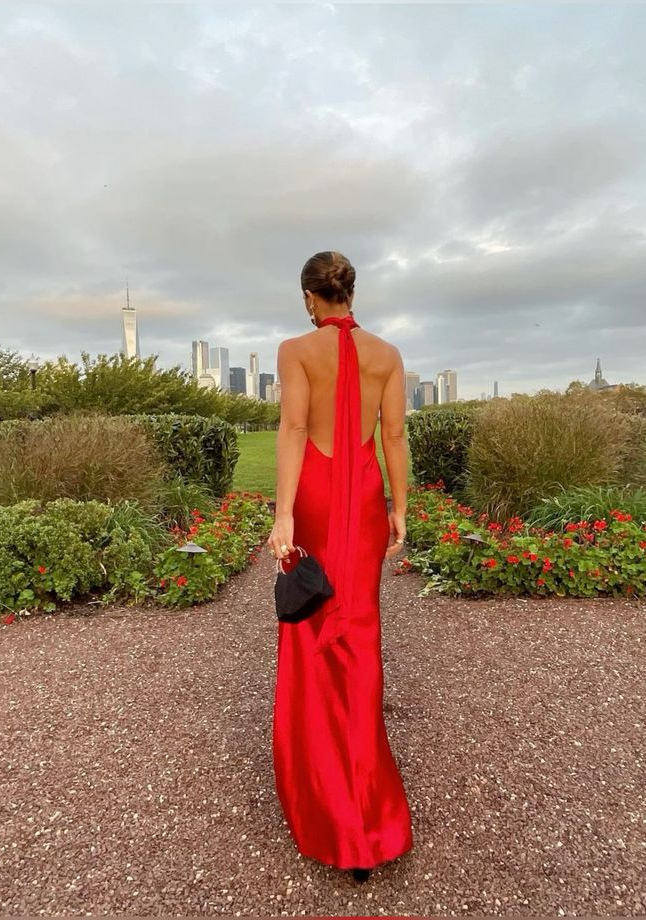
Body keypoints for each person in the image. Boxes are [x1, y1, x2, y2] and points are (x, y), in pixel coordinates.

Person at [269, 250, 413, 884]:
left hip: (320, 496)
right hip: (362, 494)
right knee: (360, 629)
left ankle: (327, 794)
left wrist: (282, 516)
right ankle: (367, 798)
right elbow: (395, 438)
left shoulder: (296, 349)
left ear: (310, 298)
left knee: (313, 630)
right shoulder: (387, 354)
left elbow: (294, 428)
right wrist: (400, 508)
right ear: (351, 294)